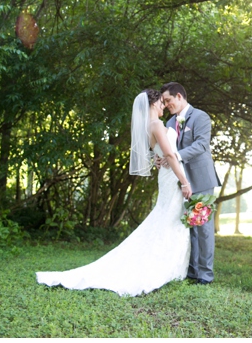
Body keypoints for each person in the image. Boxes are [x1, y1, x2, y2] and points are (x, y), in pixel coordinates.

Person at [35, 89, 192, 296]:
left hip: (165, 176)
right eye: (162, 102)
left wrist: (160, 159)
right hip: (172, 177)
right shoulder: (156, 125)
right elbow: (170, 155)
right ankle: (166, 269)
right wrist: (184, 182)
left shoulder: (147, 127)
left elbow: (159, 155)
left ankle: (171, 268)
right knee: (170, 220)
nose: (164, 106)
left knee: (166, 219)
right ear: (153, 104)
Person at [160, 81, 221, 285]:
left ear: (179, 96)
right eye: (164, 102)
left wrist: (175, 156)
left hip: (201, 179)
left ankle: (206, 275)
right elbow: (166, 149)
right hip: (181, 181)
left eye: (168, 100)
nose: (166, 104)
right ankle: (193, 271)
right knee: (189, 226)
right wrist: (162, 159)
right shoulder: (169, 123)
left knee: (202, 226)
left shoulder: (201, 117)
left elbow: (202, 145)